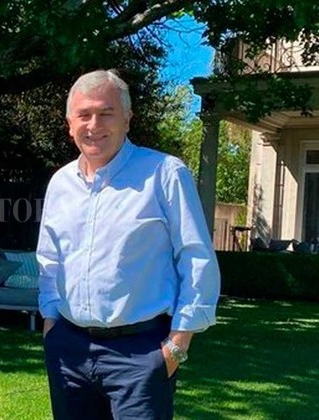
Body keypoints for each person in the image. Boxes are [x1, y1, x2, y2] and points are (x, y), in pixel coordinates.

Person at [37, 69, 220, 420]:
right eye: (84, 115)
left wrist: (178, 344)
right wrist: (50, 323)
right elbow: (49, 259)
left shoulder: (165, 174)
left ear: (127, 119)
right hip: (69, 351)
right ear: (69, 124)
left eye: (106, 113)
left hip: (141, 353)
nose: (94, 125)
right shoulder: (60, 183)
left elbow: (196, 257)